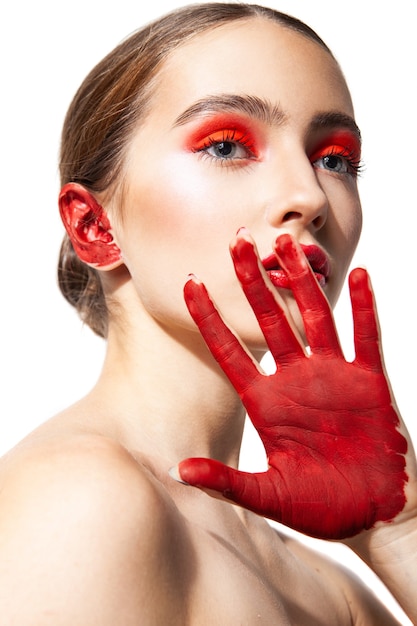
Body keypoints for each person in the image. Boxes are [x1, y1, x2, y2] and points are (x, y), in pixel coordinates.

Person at [0, 2, 415, 623]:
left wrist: (400, 532)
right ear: (94, 226)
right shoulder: (77, 500)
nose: (308, 196)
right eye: (226, 146)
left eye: (334, 159)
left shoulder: (335, 592)